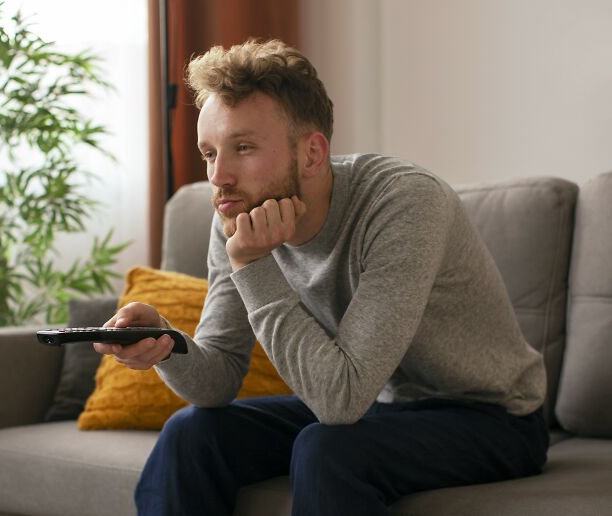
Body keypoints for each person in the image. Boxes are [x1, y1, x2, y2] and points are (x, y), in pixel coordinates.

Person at [94, 39, 549, 516]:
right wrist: (166, 344)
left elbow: (340, 403)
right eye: (209, 153)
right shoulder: (235, 212)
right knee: (191, 433)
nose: (219, 176)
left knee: (327, 449)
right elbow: (218, 381)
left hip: (492, 415)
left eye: (243, 147)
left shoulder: (405, 203)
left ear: (312, 153)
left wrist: (252, 266)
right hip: (379, 406)